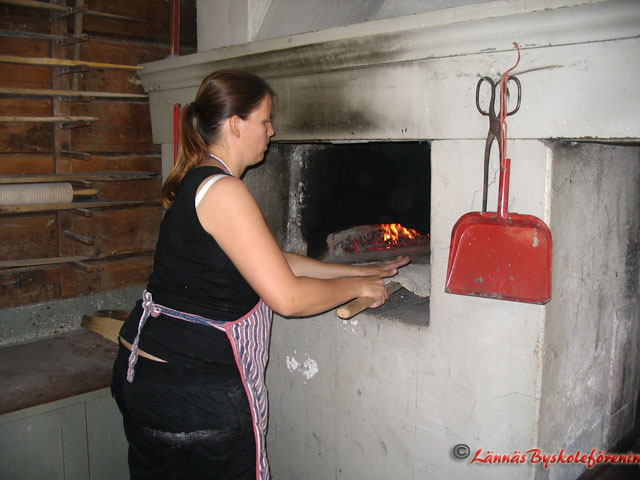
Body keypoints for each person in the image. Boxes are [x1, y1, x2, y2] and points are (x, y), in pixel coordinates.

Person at [111, 69, 409, 480]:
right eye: (266, 120)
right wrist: (359, 286)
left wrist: (352, 269)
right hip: (191, 392)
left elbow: (271, 260)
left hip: (148, 373)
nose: (272, 130)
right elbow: (288, 298)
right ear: (236, 125)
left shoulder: (201, 181)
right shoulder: (224, 191)